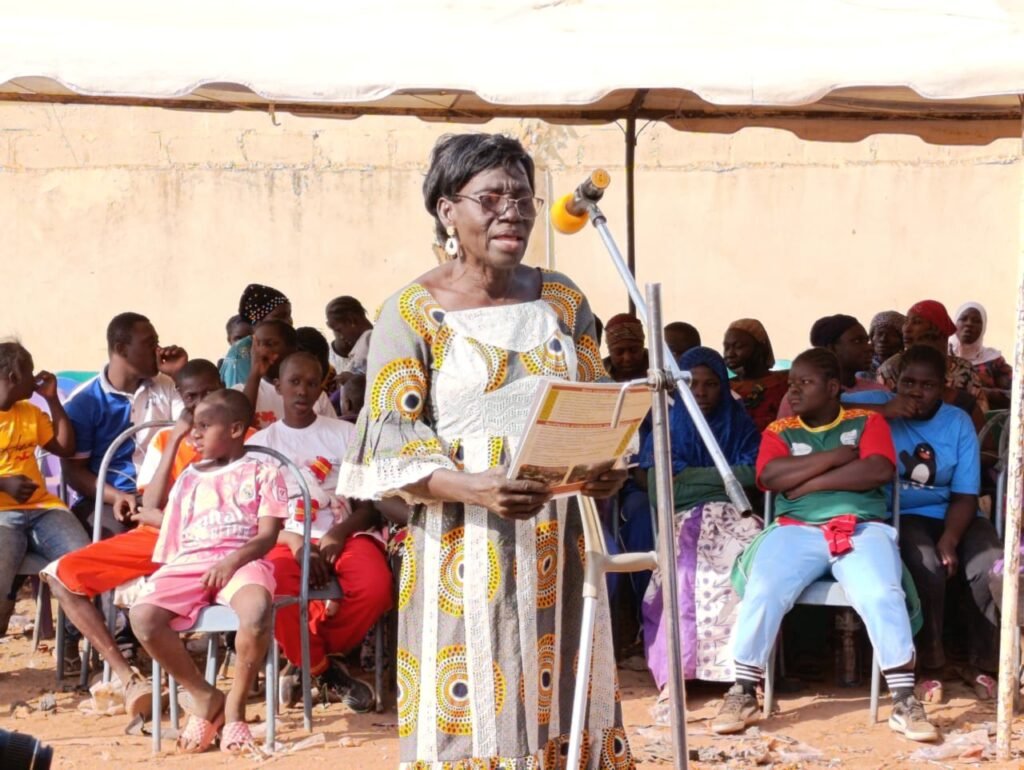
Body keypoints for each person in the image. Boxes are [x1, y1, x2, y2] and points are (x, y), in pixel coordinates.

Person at [336, 132, 633, 767]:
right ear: (448, 210)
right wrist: (477, 487)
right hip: (463, 544)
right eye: (492, 198)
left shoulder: (562, 299)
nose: (512, 213)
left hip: (561, 540)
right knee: (476, 699)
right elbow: (389, 448)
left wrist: (602, 468)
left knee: (565, 695)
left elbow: (592, 402)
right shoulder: (411, 313)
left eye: (523, 198)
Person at [715, 348, 938, 742]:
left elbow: (877, 469)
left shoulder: (867, 422)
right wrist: (835, 457)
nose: (794, 390)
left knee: (881, 593)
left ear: (833, 387)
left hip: (860, 527)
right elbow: (771, 476)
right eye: (791, 383)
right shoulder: (779, 430)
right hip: (795, 529)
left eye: (805, 382)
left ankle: (904, 699)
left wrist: (807, 483)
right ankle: (744, 690)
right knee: (765, 589)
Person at [42, 360, 224, 720]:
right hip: (160, 536)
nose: (202, 403)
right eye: (192, 397)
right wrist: (176, 439)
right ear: (181, 399)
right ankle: (128, 678)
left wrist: (166, 519)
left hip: (218, 543)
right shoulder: (165, 440)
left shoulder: (245, 435)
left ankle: (200, 685)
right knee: (60, 573)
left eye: (210, 393)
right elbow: (151, 504)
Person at [129, 390, 287, 753]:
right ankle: (204, 696)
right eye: (194, 426)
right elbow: (156, 509)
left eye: (204, 426)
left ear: (235, 429)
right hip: (192, 561)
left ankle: (235, 709)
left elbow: (267, 536)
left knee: (257, 611)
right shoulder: (190, 476)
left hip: (242, 560)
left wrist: (232, 562)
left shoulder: (264, 471)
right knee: (143, 617)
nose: (194, 434)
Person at [252, 352, 392, 712]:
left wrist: (339, 533)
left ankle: (307, 656)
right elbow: (255, 520)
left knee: (376, 587)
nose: (303, 390)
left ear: (321, 389)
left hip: (342, 533)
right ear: (278, 386)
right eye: (294, 382)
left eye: (312, 383)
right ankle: (325, 671)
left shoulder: (345, 434)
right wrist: (296, 543)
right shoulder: (263, 444)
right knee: (272, 589)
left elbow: (368, 508)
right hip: (284, 537)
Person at [637, 347, 761, 686]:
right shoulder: (666, 428)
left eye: (711, 384)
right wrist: (727, 478)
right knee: (684, 573)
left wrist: (687, 477)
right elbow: (659, 491)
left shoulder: (740, 425)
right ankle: (678, 674)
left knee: (751, 569)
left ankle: (741, 675)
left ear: (724, 386)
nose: (702, 393)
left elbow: (755, 475)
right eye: (692, 384)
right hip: (684, 518)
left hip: (736, 517)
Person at [888, 345, 1002, 702]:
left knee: (989, 563)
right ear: (895, 383)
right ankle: (930, 665)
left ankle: (983, 663)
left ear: (943, 387)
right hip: (905, 514)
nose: (916, 393)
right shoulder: (880, 411)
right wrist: (883, 411)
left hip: (957, 511)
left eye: (928, 385)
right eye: (908, 383)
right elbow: (833, 406)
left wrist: (950, 539)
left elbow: (966, 495)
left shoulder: (957, 422)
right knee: (925, 564)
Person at [63, 312, 186, 535]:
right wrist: (116, 496)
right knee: (116, 540)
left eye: (157, 342)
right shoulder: (85, 401)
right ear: (121, 349)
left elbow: (197, 428)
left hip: (166, 492)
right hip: (109, 498)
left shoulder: (168, 385)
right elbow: (73, 472)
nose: (158, 350)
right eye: (150, 343)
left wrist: (180, 376)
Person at [0, 342, 88, 635]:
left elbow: (65, 447)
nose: (34, 377)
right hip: (2, 516)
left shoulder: (28, 412)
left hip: (42, 509)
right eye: (30, 371)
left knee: (82, 560)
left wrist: (52, 400)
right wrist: (4, 483)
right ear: (14, 376)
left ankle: (74, 636)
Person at [877, 300, 988, 413]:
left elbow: (982, 412)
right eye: (906, 322)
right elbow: (882, 412)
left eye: (916, 322)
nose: (906, 329)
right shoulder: (890, 368)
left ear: (938, 330)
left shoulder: (965, 369)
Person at [777, 314, 888, 418]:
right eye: (857, 341)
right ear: (831, 348)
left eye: (867, 341)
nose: (869, 348)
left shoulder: (879, 391)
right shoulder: (799, 396)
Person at [237, 319, 334, 429]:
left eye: (269, 344)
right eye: (257, 345)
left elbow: (334, 433)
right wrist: (255, 373)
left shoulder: (313, 393)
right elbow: (239, 426)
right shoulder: (239, 392)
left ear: (292, 349)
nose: (262, 351)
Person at [219, 284, 292, 388]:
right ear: (257, 321)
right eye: (280, 316)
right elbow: (241, 396)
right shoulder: (241, 353)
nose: (289, 321)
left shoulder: (288, 345)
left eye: (289, 315)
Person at [723, 318, 789, 432]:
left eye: (738, 347)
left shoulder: (785, 384)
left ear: (761, 348)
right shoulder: (722, 388)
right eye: (726, 347)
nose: (729, 354)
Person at [949, 302, 1012, 410]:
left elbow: (1017, 394)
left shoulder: (994, 360)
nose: (969, 324)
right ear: (954, 323)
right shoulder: (943, 356)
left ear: (983, 327)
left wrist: (984, 393)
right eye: (963, 319)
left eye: (976, 321)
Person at [325, 296, 373, 379]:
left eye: (339, 330)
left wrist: (350, 378)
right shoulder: (368, 340)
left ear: (351, 320)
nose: (341, 337)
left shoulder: (368, 339)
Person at [603, 313, 649, 382]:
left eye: (634, 350)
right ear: (609, 350)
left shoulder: (660, 367)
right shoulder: (596, 375)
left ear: (642, 346)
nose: (627, 358)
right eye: (619, 352)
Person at [868, 311, 906, 378]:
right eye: (879, 334)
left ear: (902, 340)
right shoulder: (861, 365)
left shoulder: (909, 366)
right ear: (871, 337)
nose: (883, 339)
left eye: (891, 335)